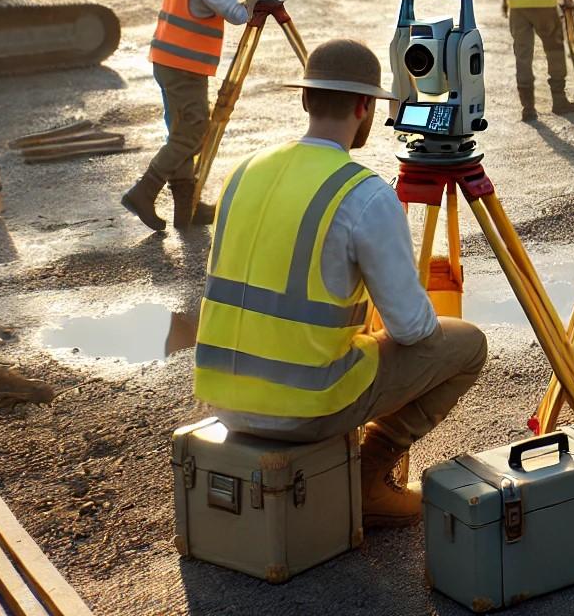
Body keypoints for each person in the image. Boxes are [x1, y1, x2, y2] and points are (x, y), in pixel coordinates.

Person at [192, 38, 488, 529]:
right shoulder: (364, 194)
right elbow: (414, 329)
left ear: (306, 99)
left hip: (221, 397)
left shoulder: (243, 172)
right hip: (305, 405)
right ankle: (369, 480)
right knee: (466, 344)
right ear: (365, 106)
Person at [122, 0, 271, 231]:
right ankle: (143, 191)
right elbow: (238, 14)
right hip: (183, 67)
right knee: (193, 131)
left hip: (168, 61)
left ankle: (186, 210)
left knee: (181, 130)